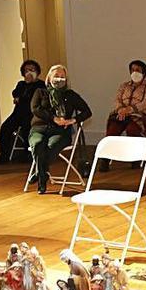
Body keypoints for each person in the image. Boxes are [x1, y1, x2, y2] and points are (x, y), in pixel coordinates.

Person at [29, 65, 92, 195]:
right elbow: (35, 109)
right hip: (39, 128)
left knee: (52, 146)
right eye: (56, 76)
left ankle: (40, 174)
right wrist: (53, 118)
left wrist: (72, 120)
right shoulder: (40, 92)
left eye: (62, 77)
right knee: (38, 144)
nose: (59, 79)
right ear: (49, 77)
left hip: (60, 131)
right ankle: (42, 174)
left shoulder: (71, 95)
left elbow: (87, 111)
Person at [100, 60, 146, 172]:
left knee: (132, 130)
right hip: (122, 114)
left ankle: (135, 158)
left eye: (138, 70)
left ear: (144, 73)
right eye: (132, 70)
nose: (134, 72)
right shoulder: (124, 86)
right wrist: (121, 109)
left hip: (139, 115)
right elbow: (117, 99)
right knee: (112, 131)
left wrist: (130, 109)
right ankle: (104, 160)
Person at [0, 59, 43, 165]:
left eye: (32, 70)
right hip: (17, 114)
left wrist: (20, 99)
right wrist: (20, 94)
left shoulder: (41, 85)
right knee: (5, 127)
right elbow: (15, 93)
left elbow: (33, 98)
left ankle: (27, 154)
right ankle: (4, 155)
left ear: (37, 71)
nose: (29, 72)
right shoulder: (21, 84)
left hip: (32, 115)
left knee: (28, 128)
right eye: (26, 70)